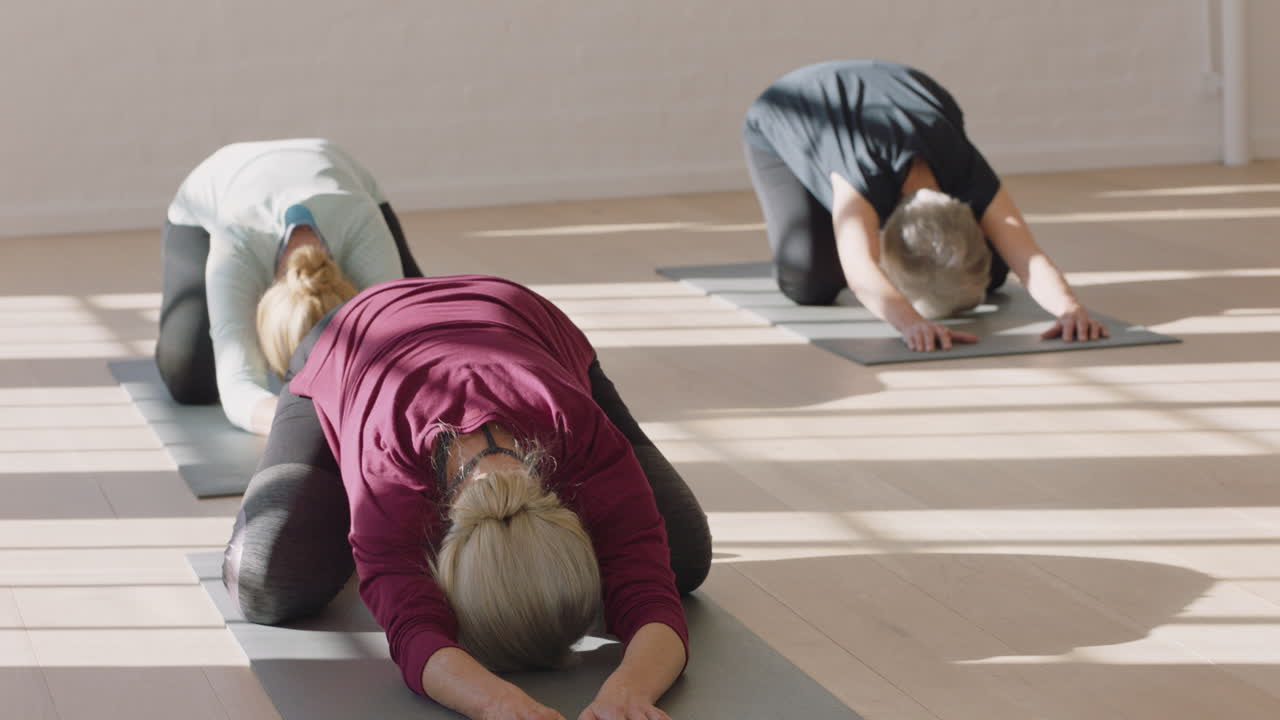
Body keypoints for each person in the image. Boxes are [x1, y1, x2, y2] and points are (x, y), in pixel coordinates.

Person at [222, 275, 712, 720]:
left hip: (522, 319)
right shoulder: (388, 469)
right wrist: (493, 701)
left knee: (682, 554)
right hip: (352, 336)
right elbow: (412, 628)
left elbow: (651, 593)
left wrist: (630, 692)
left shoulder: (578, 430)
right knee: (265, 580)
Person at [743, 60, 1108, 352]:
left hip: (899, 88)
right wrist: (910, 322)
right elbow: (859, 271)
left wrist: (1069, 308)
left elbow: (1027, 254)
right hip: (787, 109)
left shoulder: (967, 173)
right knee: (811, 287)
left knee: (991, 272)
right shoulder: (862, 182)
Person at [156, 137, 424, 433]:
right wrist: (299, 420)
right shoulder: (236, 242)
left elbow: (397, 351)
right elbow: (238, 388)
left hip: (337, 180)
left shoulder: (360, 219)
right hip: (214, 190)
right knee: (189, 380)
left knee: (419, 337)